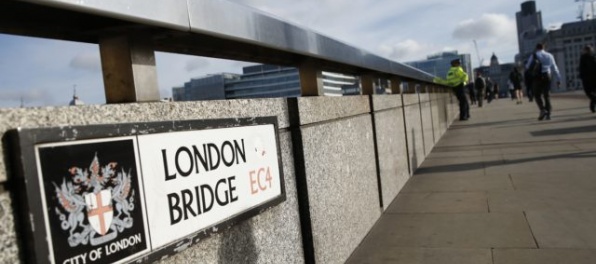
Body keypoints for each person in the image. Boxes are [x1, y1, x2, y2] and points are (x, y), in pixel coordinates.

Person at [525, 43, 561, 120]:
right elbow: (554, 67)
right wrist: (558, 79)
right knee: (546, 95)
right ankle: (548, 113)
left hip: (537, 77)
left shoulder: (534, 55)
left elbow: (527, 66)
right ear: (543, 48)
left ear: (536, 48)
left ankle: (542, 110)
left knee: (537, 95)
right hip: (547, 76)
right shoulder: (550, 55)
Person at [579, 45, 596, 113]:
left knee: (589, 93)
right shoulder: (593, 57)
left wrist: (581, 76)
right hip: (592, 79)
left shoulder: (583, 58)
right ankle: (592, 106)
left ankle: (593, 105)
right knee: (592, 93)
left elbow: (581, 69)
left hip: (587, 79)